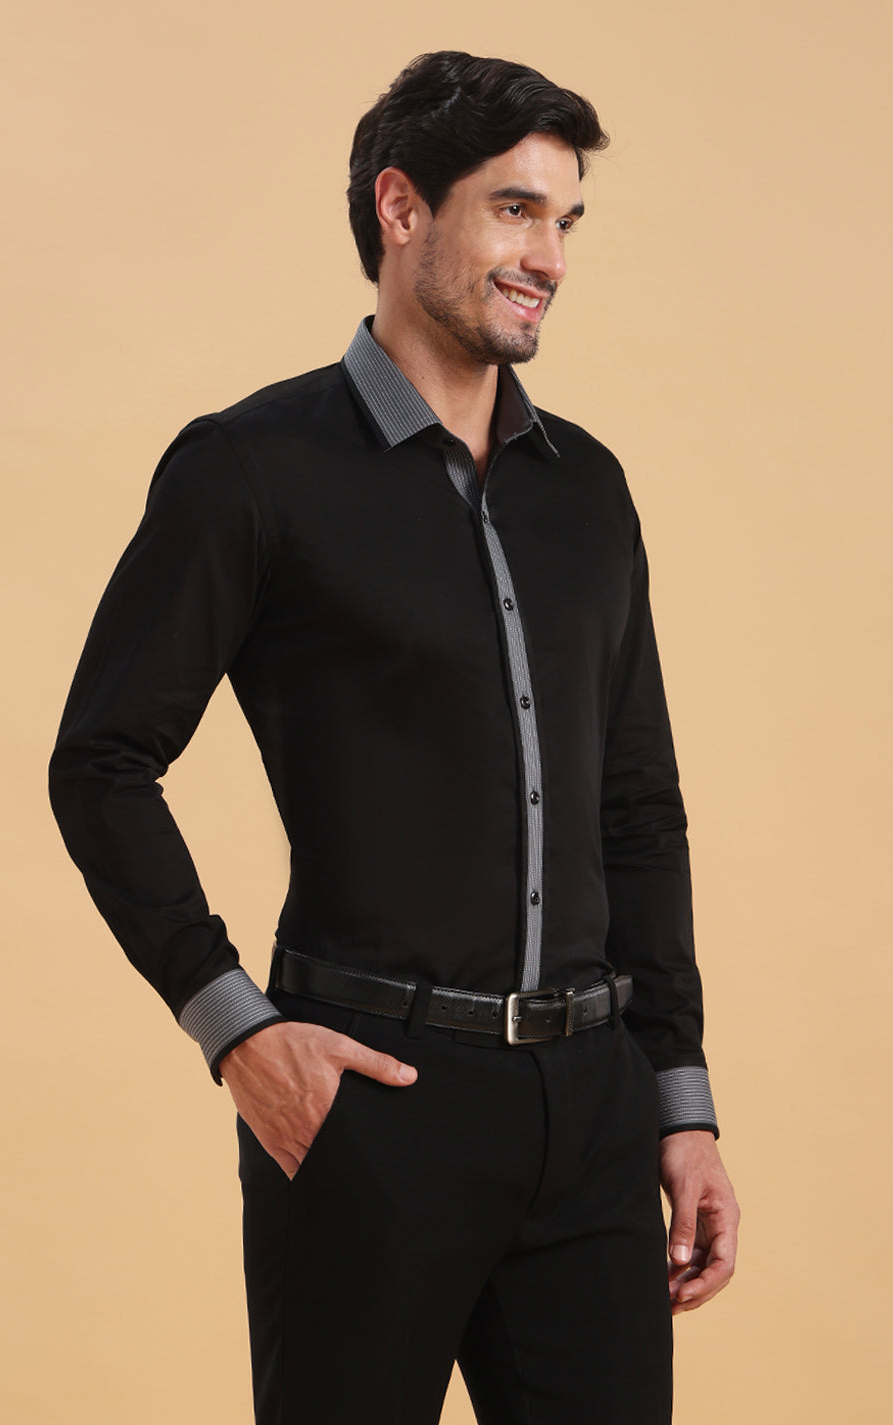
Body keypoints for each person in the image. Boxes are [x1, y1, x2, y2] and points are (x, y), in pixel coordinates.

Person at [49, 49, 739, 1425]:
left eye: (565, 220)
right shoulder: (253, 470)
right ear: (401, 207)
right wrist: (237, 1032)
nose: (549, 258)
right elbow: (102, 762)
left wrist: (680, 1098)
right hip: (369, 1106)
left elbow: (637, 807)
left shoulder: (588, 492)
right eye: (514, 211)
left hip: (592, 1115)